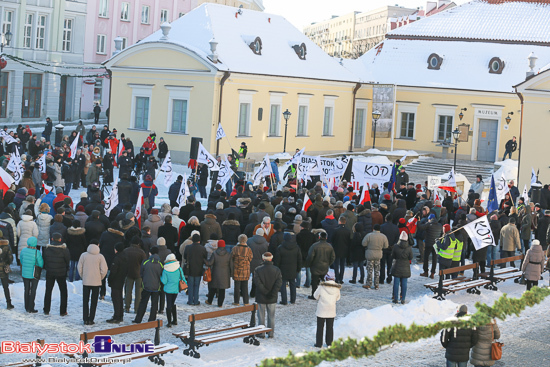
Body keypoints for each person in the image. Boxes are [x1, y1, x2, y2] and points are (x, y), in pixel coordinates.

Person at [77, 241, 108, 325]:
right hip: (96, 282)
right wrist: (100, 278)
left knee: (85, 300)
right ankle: (91, 319)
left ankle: (85, 319)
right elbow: (104, 270)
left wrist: (83, 276)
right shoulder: (100, 257)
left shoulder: (83, 255)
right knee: (94, 301)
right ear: (98, 245)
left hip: (86, 281)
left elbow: (79, 267)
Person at [253, 252, 282, 339]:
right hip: (272, 297)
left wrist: (265, 292)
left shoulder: (258, 269)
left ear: (263, 259)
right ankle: (271, 333)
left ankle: (261, 333)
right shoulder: (277, 270)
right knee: (271, 316)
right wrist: (272, 293)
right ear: (271, 259)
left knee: (261, 315)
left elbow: (257, 283)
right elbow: (278, 283)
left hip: (261, 296)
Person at [133, 246, 163, 323]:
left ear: (150, 253)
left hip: (146, 286)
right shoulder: (160, 264)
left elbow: (141, 273)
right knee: (154, 304)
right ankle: (152, 320)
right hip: (156, 287)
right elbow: (162, 275)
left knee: (143, 303)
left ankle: (138, 319)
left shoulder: (145, 262)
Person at [42, 233, 70, 316]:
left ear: (52, 239)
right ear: (60, 240)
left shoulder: (47, 249)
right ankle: (63, 311)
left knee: (48, 291)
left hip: (50, 272)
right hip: (61, 273)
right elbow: (67, 261)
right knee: (63, 291)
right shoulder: (64, 250)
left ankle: (46, 309)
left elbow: (45, 260)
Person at [313, 272, 341, 348]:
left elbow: (315, 296)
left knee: (320, 327)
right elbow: (338, 298)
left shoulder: (321, 287)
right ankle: (329, 342)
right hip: (331, 310)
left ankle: (319, 343)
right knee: (330, 327)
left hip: (322, 309)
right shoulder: (337, 288)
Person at [274, 233, 302, 305]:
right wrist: (298, 269)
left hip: (283, 269)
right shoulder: (296, 247)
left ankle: (284, 300)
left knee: (283, 285)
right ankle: (293, 300)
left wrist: (277, 269)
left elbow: (277, 260)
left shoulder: (280, 247)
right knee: (293, 284)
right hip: (293, 269)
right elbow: (299, 259)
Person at [306, 231, 335, 299]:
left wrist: (309, 264)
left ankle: (314, 295)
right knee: (323, 282)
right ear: (326, 238)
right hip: (325, 267)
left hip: (315, 266)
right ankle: (323, 294)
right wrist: (328, 264)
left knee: (314, 282)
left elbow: (310, 256)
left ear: (319, 237)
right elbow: (333, 257)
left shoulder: (314, 246)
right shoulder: (330, 246)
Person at [123, 236, 147, 313]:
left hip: (128, 273)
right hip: (139, 274)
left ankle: (127, 306)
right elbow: (144, 264)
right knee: (138, 292)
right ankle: (137, 308)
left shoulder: (126, 250)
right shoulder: (142, 252)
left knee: (128, 291)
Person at [161, 253, 185, 327]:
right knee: (173, 303)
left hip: (168, 290)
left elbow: (164, 281)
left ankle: (169, 322)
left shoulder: (165, 270)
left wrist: (160, 277)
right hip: (176, 290)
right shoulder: (178, 268)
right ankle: (175, 320)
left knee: (169, 305)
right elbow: (182, 279)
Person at [20, 237, 43, 313]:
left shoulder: (23, 250)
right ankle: (31, 307)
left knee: (26, 289)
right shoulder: (37, 252)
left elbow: (22, 261)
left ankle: (26, 307)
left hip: (25, 274)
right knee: (33, 290)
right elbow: (41, 264)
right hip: (34, 274)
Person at [362, 224, 388, 290]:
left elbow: (363, 243)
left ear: (373, 229)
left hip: (370, 254)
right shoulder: (383, 236)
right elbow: (386, 246)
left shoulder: (369, 235)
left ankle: (368, 284)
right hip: (378, 255)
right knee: (377, 270)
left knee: (369, 270)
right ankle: (376, 284)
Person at [183, 233, 207, 306]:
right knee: (196, 286)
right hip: (198, 269)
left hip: (190, 268)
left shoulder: (188, 247)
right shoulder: (203, 248)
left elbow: (184, 256)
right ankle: (196, 301)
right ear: (199, 240)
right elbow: (205, 258)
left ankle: (190, 301)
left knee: (190, 286)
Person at [107, 243, 128, 324]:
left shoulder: (117, 258)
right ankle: (120, 315)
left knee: (116, 299)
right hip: (121, 280)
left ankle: (116, 316)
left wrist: (109, 280)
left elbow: (113, 272)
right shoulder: (125, 257)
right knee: (119, 298)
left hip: (115, 281)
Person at [206, 240, 231, 307]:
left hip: (215, 273)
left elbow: (210, 263)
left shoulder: (214, 253)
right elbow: (231, 265)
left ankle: (209, 301)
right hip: (225, 274)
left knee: (213, 287)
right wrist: (231, 273)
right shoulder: (228, 254)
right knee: (222, 290)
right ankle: (220, 304)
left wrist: (205, 261)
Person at [390, 231, 413, 304]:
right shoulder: (409, 248)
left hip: (397, 266)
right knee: (404, 283)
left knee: (396, 283)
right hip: (405, 267)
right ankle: (403, 299)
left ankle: (395, 298)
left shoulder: (395, 246)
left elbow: (392, 256)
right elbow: (411, 257)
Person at [231, 234, 253, 305]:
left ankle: (236, 301)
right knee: (245, 287)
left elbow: (232, 257)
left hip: (237, 269)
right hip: (245, 270)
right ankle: (246, 302)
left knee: (236, 287)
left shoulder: (235, 248)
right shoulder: (249, 249)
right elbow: (250, 259)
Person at [419, 214, 442, 279]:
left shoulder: (429, 224)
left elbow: (421, 227)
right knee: (434, 259)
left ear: (430, 219)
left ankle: (426, 272)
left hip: (428, 244)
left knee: (426, 257)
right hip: (436, 244)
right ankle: (432, 273)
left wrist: (418, 221)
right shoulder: (440, 225)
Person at [331, 216, 351, 284]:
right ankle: (341, 278)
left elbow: (332, 240)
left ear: (339, 221)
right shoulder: (348, 231)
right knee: (342, 265)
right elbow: (349, 241)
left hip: (336, 249)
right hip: (345, 250)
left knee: (336, 264)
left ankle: (337, 278)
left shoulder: (335, 230)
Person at [0, 234, 13, 309]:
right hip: (3, 270)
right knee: (5, 287)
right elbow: (10, 258)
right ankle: (9, 303)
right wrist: (7, 263)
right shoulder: (6, 246)